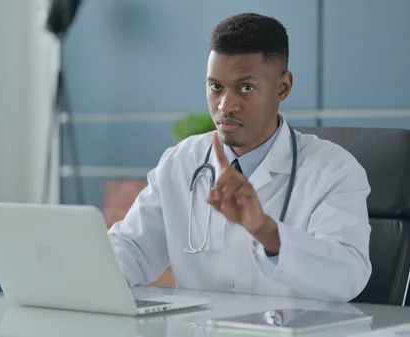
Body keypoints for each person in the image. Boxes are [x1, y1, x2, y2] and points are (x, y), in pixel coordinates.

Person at [108, 12, 372, 302]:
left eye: (246, 88)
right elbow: (131, 249)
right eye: (215, 87)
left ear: (282, 87)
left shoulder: (334, 170)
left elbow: (348, 277)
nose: (226, 105)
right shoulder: (180, 162)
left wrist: (266, 231)